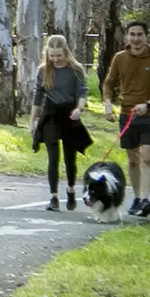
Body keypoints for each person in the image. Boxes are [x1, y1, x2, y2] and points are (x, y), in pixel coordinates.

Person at [100, 20, 150, 217]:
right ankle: (137, 198)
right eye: (132, 34)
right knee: (133, 160)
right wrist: (107, 104)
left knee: (147, 157)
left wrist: (147, 105)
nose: (136, 38)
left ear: (147, 36)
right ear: (127, 36)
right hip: (127, 115)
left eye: (140, 34)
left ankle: (146, 200)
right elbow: (108, 83)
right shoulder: (120, 58)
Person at [31, 34, 90, 210]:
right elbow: (38, 97)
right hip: (51, 114)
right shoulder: (43, 70)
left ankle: (71, 189)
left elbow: (82, 92)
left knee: (69, 157)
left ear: (66, 52)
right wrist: (32, 121)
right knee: (53, 157)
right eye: (52, 55)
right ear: (47, 54)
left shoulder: (76, 69)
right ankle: (53, 197)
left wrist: (79, 109)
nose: (55, 59)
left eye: (59, 55)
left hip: (70, 112)